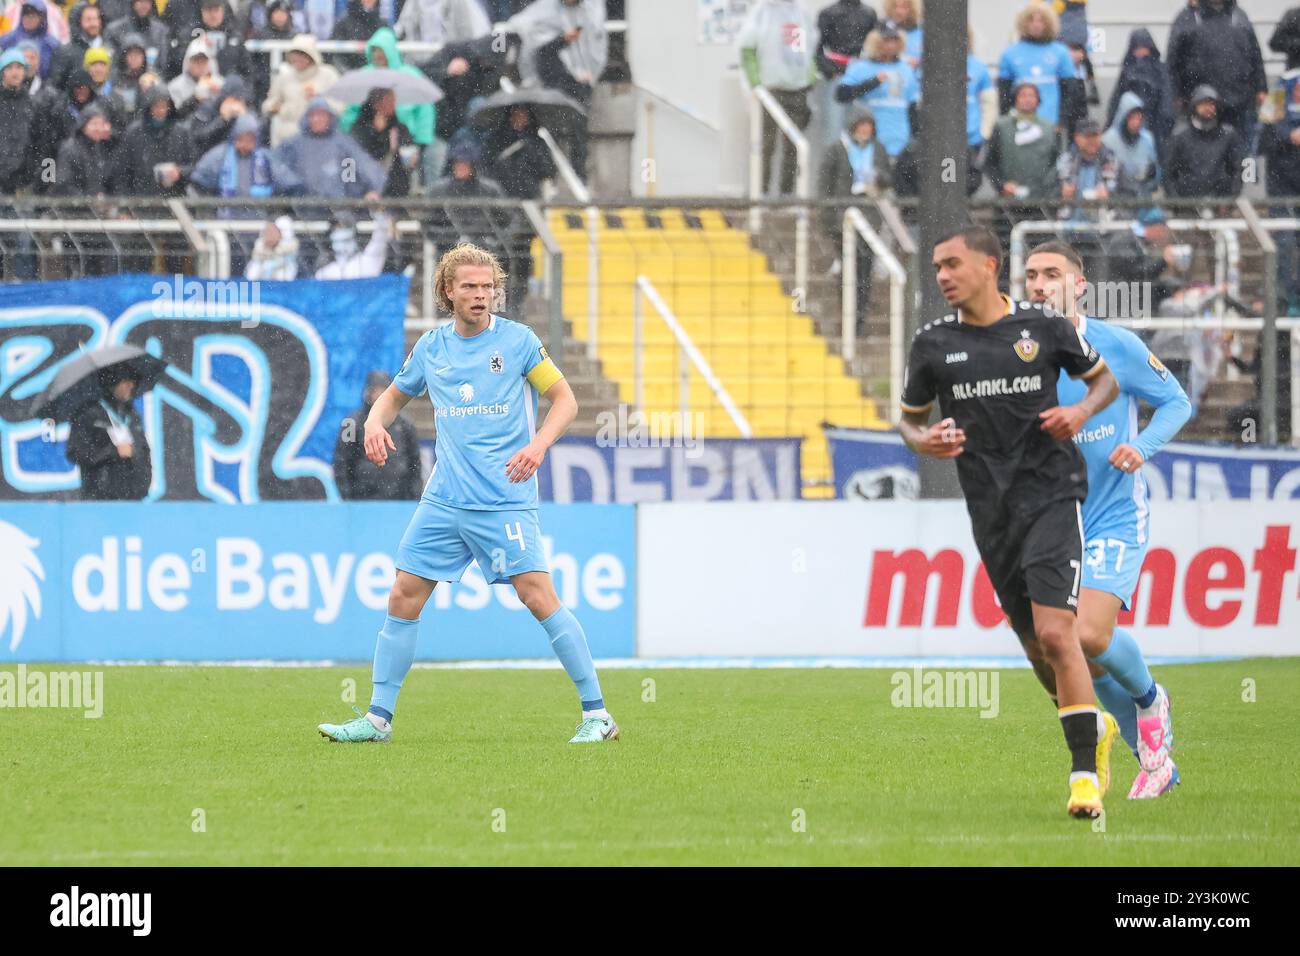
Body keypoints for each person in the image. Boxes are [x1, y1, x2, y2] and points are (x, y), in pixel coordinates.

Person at [316, 243, 618, 746]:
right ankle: (377, 720)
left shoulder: (518, 342)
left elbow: (564, 400)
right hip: (444, 501)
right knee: (403, 594)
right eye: (470, 288)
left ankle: (597, 713)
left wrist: (539, 445)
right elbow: (392, 397)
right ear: (447, 292)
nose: (481, 296)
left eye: (487, 287)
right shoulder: (431, 348)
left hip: (503, 500)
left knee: (538, 596)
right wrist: (372, 423)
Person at [898, 224, 1119, 818]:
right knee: (1033, 647)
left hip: (1051, 496)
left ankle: (1082, 779)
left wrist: (1079, 410)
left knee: (1056, 633)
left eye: (952, 263)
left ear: (989, 265)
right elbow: (909, 421)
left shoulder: (1041, 328)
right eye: (937, 266)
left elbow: (1104, 382)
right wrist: (926, 442)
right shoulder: (932, 346)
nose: (942, 275)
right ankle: (1092, 728)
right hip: (989, 510)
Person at [1024, 240, 1190, 800]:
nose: (1040, 284)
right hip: (1054, 521)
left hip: (1114, 516)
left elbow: (1177, 403)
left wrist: (1141, 447)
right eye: (1031, 275)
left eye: (1052, 274)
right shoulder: (1018, 356)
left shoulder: (1115, 345)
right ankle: (1152, 757)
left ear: (1080, 286)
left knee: (1090, 633)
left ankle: (1149, 699)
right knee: (1071, 658)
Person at [509, 0, 607, 182]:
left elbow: (594, 42)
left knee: (578, 133)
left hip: (577, 87)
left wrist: (588, 73)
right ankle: (550, 179)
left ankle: (579, 178)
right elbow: (540, 51)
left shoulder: (589, 11)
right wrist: (561, 40)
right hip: (551, 88)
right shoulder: (546, 11)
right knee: (548, 136)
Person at [818, 105, 891, 330]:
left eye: (869, 126)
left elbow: (888, 179)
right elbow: (825, 186)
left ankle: (860, 315)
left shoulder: (878, 150)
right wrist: (830, 220)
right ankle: (847, 313)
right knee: (848, 269)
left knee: (865, 269)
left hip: (869, 216)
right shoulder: (838, 149)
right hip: (844, 217)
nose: (865, 130)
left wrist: (877, 177)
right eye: (861, 126)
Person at [1166, 0, 1265, 159]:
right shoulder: (1188, 17)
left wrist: (1261, 88)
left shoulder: (1239, 16)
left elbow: (1255, 55)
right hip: (1202, 103)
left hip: (1239, 101)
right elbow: (1173, 61)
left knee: (1243, 154)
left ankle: (1245, 181)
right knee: (1205, 155)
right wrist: (1175, 93)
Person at [336, 26, 434, 181]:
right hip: (368, 136)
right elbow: (351, 112)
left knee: (404, 176)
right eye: (374, 50)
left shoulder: (410, 76)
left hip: (404, 139)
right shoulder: (363, 76)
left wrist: (422, 141)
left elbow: (425, 112)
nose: (378, 55)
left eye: (381, 50)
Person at [737, 0, 814, 194]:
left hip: (798, 89)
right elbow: (747, 49)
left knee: (794, 146)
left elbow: (810, 49)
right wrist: (756, 84)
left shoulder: (801, 12)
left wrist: (811, 77)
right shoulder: (761, 12)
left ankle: (787, 193)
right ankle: (760, 191)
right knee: (765, 145)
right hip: (770, 90)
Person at [332, 370, 422, 500]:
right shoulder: (351, 423)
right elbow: (341, 462)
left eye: (383, 391)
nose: (379, 396)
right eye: (375, 391)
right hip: (362, 499)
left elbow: (415, 462)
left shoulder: (405, 424)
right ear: (367, 392)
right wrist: (347, 497)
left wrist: (414, 496)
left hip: (398, 499)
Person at [66, 367, 152, 500]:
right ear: (113, 382)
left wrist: (143, 485)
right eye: (126, 380)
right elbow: (76, 452)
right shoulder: (89, 414)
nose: (132, 385)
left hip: (133, 499)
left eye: (133, 381)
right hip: (100, 501)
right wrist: (112, 451)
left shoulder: (132, 414)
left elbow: (144, 451)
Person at [835, 22, 918, 160]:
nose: (891, 45)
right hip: (870, 143)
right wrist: (872, 83)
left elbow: (912, 108)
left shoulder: (906, 70)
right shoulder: (861, 67)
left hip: (900, 143)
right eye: (886, 40)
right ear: (876, 42)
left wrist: (915, 139)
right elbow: (841, 95)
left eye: (894, 40)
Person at [273, 95, 383, 198]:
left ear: (330, 117)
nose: (316, 119)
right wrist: (294, 185)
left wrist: (371, 189)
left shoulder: (343, 143)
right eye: (313, 115)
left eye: (321, 115)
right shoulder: (294, 143)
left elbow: (363, 165)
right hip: (301, 208)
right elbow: (275, 163)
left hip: (338, 208)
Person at [997, 1, 1079, 130]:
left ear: (1049, 24)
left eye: (1041, 21)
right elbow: (1004, 93)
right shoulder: (1010, 53)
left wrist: (1062, 120)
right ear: (1024, 23)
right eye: (1032, 20)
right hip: (1018, 125)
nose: (1036, 25)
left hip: (1051, 125)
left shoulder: (1060, 52)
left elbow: (1069, 91)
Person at [813, 0, 876, 148]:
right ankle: (833, 167)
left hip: (863, 77)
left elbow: (876, 45)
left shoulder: (869, 13)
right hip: (837, 76)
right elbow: (816, 48)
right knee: (834, 126)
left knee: (865, 123)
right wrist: (830, 70)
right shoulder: (828, 13)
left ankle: (862, 168)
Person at [1164, 85, 1243, 199]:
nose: (1208, 108)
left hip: (1219, 203)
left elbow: (1237, 170)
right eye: (1203, 103)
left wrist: (1230, 199)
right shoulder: (1180, 136)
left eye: (1211, 104)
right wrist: (1178, 203)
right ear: (1194, 106)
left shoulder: (1228, 135)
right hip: (1187, 203)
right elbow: (1168, 173)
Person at [1104, 29, 1174, 158]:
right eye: (1137, 48)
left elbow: (1166, 98)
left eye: (1144, 47)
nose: (1141, 52)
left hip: (1155, 121)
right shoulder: (1127, 71)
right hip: (1130, 121)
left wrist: (1165, 121)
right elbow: (1116, 100)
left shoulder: (1160, 70)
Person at [261, 32, 339, 147]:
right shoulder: (284, 76)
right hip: (288, 139)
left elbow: (340, 105)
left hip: (319, 139)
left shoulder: (328, 75)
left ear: (312, 56)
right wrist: (273, 107)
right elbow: (268, 104)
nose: (297, 59)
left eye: (302, 55)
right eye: (295, 55)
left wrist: (319, 101)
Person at [348, 85, 417, 197]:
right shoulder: (359, 129)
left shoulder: (399, 128)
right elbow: (358, 157)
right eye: (389, 100)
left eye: (394, 100)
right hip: (366, 189)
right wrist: (377, 133)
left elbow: (408, 153)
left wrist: (411, 159)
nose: (394, 104)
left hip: (394, 189)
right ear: (376, 104)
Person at [481, 103, 556, 200]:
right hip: (504, 193)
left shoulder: (536, 142)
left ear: (529, 118)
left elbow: (547, 168)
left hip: (530, 194)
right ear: (509, 117)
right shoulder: (497, 139)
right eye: (516, 115)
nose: (519, 118)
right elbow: (489, 163)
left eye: (523, 115)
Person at [394, 0, 490, 67]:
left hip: (449, 61)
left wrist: (459, 56)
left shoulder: (458, 2)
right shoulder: (414, 2)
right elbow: (403, 26)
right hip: (422, 61)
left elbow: (466, 33)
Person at [1102, 92, 1159, 201]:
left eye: (1139, 118)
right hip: (1116, 199)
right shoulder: (1108, 140)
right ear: (1123, 117)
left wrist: (1152, 175)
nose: (1136, 123)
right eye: (1132, 118)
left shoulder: (1147, 139)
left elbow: (1154, 177)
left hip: (1142, 199)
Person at [49, 2, 110, 92]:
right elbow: (56, 85)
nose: (93, 24)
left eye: (96, 19)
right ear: (79, 22)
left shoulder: (110, 47)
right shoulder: (66, 52)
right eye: (88, 19)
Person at [314, 210, 389, 279]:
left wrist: (377, 211)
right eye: (336, 228)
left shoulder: (368, 260)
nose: (340, 233)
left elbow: (381, 233)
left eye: (345, 227)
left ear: (354, 233)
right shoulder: (324, 273)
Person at [105, 0, 169, 78]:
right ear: (133, 3)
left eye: (147, 2)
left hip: (151, 81)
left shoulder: (159, 31)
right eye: (140, 1)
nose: (144, 5)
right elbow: (111, 62)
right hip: (121, 81)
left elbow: (162, 63)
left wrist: (152, 76)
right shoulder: (114, 30)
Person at [0, 1, 62, 79]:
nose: (29, 19)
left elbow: (55, 73)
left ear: (42, 19)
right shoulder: (7, 40)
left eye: (33, 16)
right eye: (26, 15)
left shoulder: (52, 44)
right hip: (12, 86)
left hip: (41, 86)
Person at [167, 37, 221, 119]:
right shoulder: (175, 86)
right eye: (197, 62)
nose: (201, 66)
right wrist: (195, 99)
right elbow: (175, 116)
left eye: (204, 62)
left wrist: (221, 95)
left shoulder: (219, 83)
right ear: (188, 63)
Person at [329, 0, 384, 72]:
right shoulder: (343, 23)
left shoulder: (382, 24)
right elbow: (336, 55)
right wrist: (349, 75)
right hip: (349, 75)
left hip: (377, 75)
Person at [244, 213, 299, 279]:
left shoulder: (292, 244)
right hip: (262, 267)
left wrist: (272, 263)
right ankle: (252, 288)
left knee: (282, 274)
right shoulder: (260, 243)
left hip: (282, 268)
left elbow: (286, 258)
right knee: (254, 270)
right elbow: (257, 257)